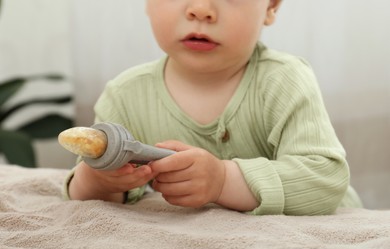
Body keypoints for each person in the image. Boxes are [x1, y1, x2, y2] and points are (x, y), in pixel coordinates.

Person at [64, 0, 363, 215]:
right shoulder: (125, 94)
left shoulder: (284, 80)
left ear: (271, 6)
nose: (201, 9)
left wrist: (223, 180)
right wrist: (100, 180)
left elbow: (326, 180)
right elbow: (88, 197)